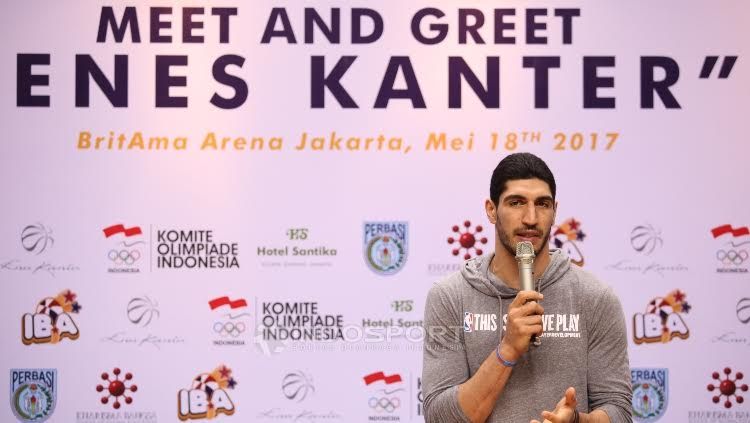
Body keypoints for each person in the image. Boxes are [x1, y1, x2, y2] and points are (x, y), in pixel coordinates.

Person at [422, 153, 631, 423]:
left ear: (554, 211)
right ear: (491, 209)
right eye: (516, 202)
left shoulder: (595, 297)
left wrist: (578, 421)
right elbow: (440, 418)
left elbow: (620, 411)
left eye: (542, 204)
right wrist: (507, 349)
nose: (531, 218)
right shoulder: (450, 296)